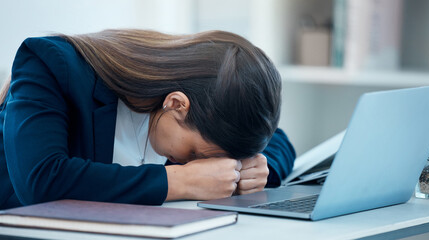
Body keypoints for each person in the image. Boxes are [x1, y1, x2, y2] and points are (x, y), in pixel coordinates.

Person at [0, 29, 295, 210]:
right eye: (194, 155)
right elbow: (41, 181)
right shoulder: (51, 63)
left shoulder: (206, 97)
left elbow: (278, 139)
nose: (197, 165)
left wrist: (257, 168)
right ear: (176, 104)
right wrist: (177, 181)